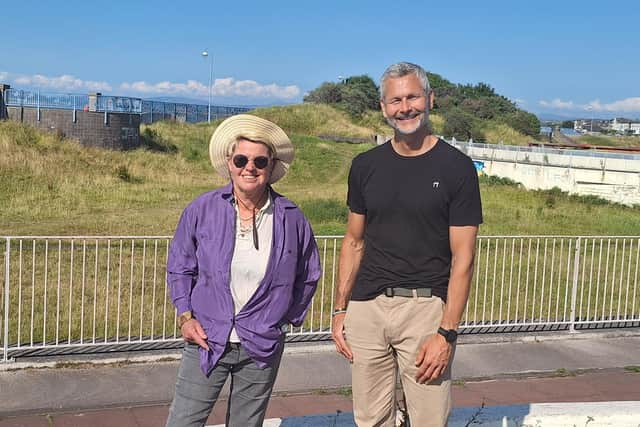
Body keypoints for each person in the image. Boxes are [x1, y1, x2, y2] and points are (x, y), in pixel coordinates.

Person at [331, 62, 483, 427]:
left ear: (430, 99)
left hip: (425, 310)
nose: (405, 107)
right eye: (395, 100)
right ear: (384, 107)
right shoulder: (365, 166)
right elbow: (354, 242)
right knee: (370, 418)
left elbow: (464, 258)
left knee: (429, 418)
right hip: (367, 309)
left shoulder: (456, 168)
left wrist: (447, 332)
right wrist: (339, 310)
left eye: (413, 96)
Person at [166, 114, 321, 427]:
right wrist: (186, 316)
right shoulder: (203, 208)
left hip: (261, 344)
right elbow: (180, 266)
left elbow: (309, 273)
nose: (250, 167)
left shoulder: (291, 217)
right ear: (229, 163)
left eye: (260, 161)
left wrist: (282, 319)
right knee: (183, 421)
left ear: (271, 166)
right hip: (207, 337)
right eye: (241, 159)